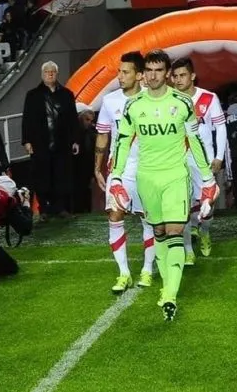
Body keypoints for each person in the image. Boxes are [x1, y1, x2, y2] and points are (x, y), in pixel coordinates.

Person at [108, 50, 218, 321]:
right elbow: (122, 143)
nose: (154, 75)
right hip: (147, 179)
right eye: (150, 70)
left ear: (167, 73)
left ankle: (170, 293)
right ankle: (167, 288)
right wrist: (117, 178)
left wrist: (207, 179)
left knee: (175, 231)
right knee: (158, 232)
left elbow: (195, 142)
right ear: (144, 73)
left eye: (159, 70)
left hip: (175, 177)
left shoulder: (183, 103)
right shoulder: (134, 106)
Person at [93, 51, 155, 294]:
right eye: (119, 71)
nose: (119, 76)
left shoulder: (153, 99)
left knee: (148, 219)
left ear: (139, 75)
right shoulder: (110, 101)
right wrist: (97, 167)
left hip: (149, 167)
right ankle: (124, 273)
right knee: (114, 216)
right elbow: (102, 134)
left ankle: (148, 269)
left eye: (125, 72)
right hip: (119, 168)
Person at [170, 58, 227, 261]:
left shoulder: (209, 98)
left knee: (206, 205)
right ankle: (188, 251)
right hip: (177, 161)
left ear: (192, 76)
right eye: (174, 76)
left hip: (204, 161)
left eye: (182, 75)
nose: (178, 80)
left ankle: (204, 232)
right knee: (182, 207)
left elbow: (220, 127)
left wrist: (219, 156)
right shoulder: (169, 100)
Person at [21, 61, 79, 220]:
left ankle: (60, 208)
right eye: (47, 71)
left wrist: (75, 140)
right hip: (40, 143)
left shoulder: (67, 94)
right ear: (42, 74)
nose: (50, 74)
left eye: (53, 71)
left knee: (62, 175)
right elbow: (27, 120)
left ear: (57, 74)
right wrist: (27, 141)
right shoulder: (32, 95)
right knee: (42, 175)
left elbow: (73, 118)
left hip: (62, 142)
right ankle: (44, 209)